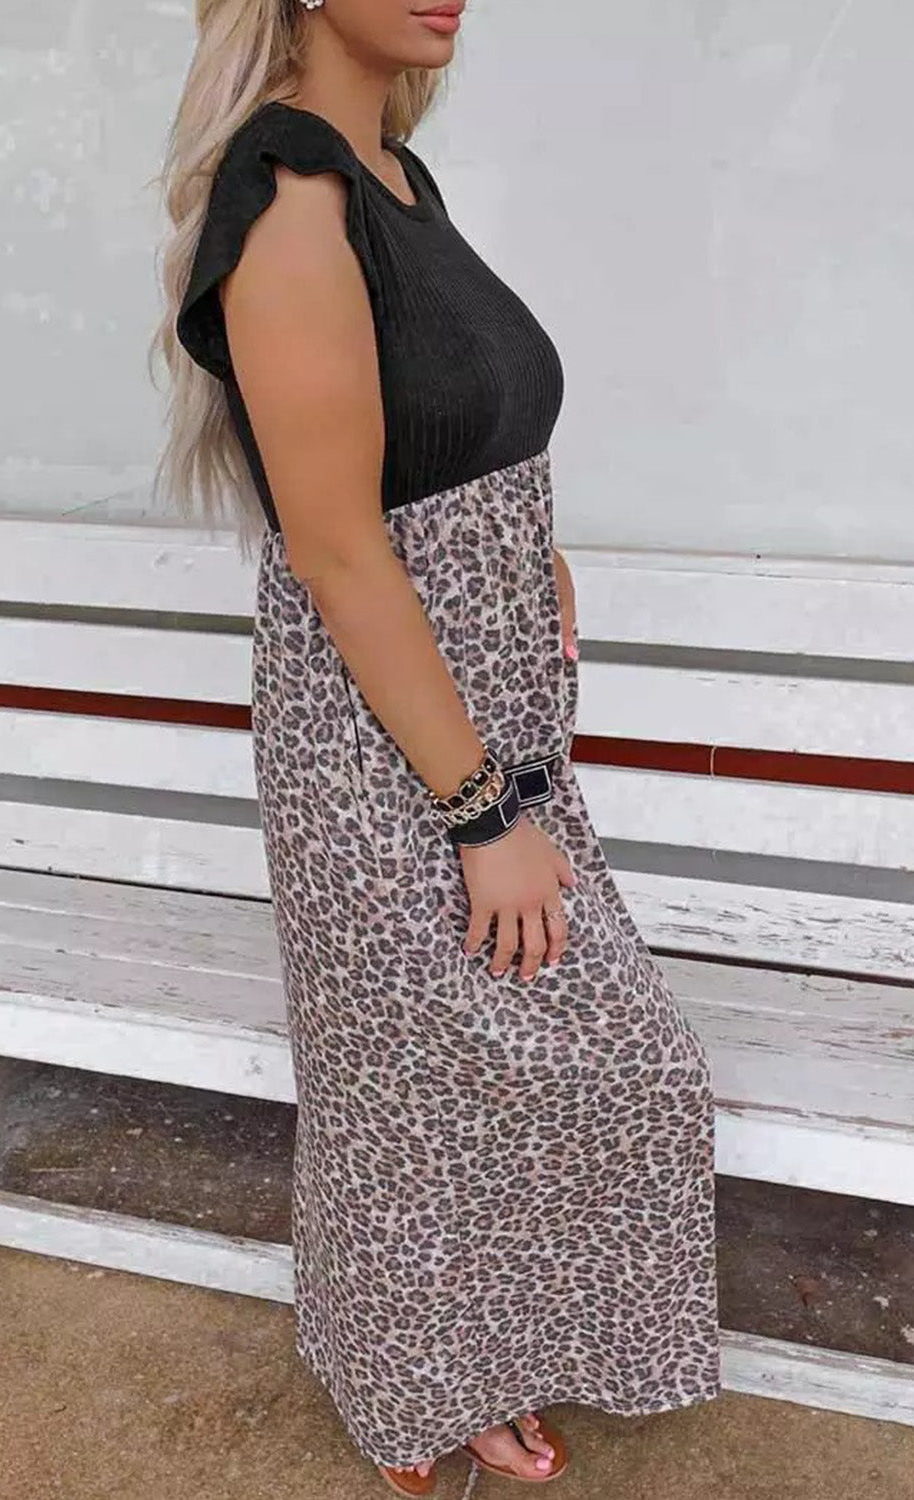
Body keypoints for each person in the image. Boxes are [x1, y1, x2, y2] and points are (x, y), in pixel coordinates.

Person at [152, 1, 721, 1493]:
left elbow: (440, 436)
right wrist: (478, 815)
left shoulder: (393, 179)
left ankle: (451, 1363)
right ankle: (413, 1386)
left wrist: (536, 559)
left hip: (482, 710)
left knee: (446, 1082)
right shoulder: (290, 201)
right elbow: (339, 550)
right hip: (385, 756)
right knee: (455, 1084)